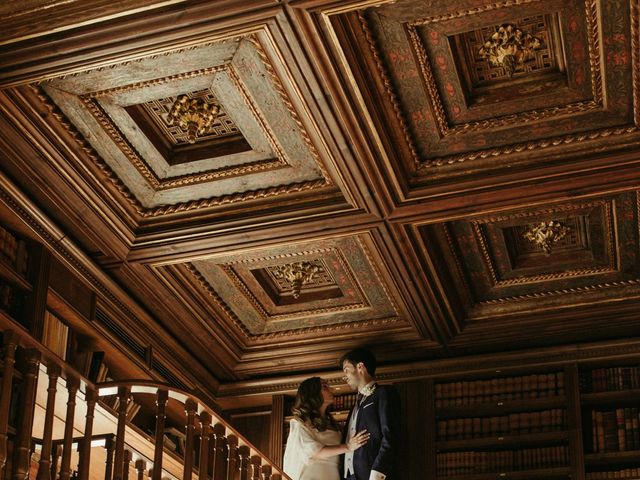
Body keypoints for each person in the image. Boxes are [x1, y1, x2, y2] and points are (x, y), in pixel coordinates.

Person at [283, 377, 370, 480]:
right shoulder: (300, 424)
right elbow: (314, 451)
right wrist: (348, 446)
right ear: (313, 393)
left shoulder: (334, 424)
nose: (331, 390)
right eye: (325, 387)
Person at [341, 348, 400, 480]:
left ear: (360, 367)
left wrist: (377, 474)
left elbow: (390, 436)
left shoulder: (384, 393)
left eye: (346, 370)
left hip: (373, 475)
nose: (344, 376)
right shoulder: (354, 407)